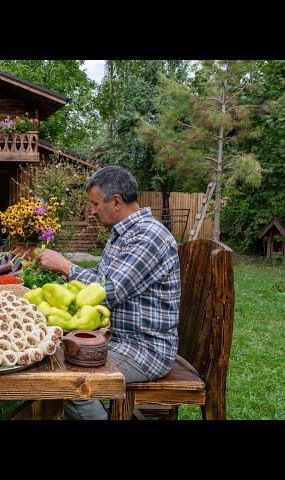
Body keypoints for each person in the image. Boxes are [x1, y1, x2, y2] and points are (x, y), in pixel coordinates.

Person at [36, 166, 181, 420]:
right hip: (117, 339)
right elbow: (101, 280)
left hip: (145, 349)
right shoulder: (123, 234)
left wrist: (64, 265)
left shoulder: (149, 236)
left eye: (94, 203)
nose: (91, 211)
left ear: (116, 202)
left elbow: (108, 291)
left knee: (70, 382)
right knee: (54, 356)